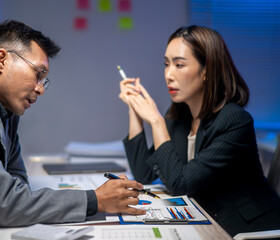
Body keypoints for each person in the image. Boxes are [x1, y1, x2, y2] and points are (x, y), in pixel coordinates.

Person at [0, 20, 145, 240]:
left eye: (44, 80)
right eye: (38, 73)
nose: (40, 89)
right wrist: (95, 200)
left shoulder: (4, 107)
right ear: (1, 60)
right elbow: (4, 202)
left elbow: (16, 185)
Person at [119, 25, 280, 237]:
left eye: (179, 65)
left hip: (246, 229)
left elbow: (180, 183)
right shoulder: (179, 115)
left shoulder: (235, 121)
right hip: (205, 217)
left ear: (206, 71)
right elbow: (143, 174)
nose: (168, 74)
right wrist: (134, 109)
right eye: (166, 64)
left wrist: (156, 122)